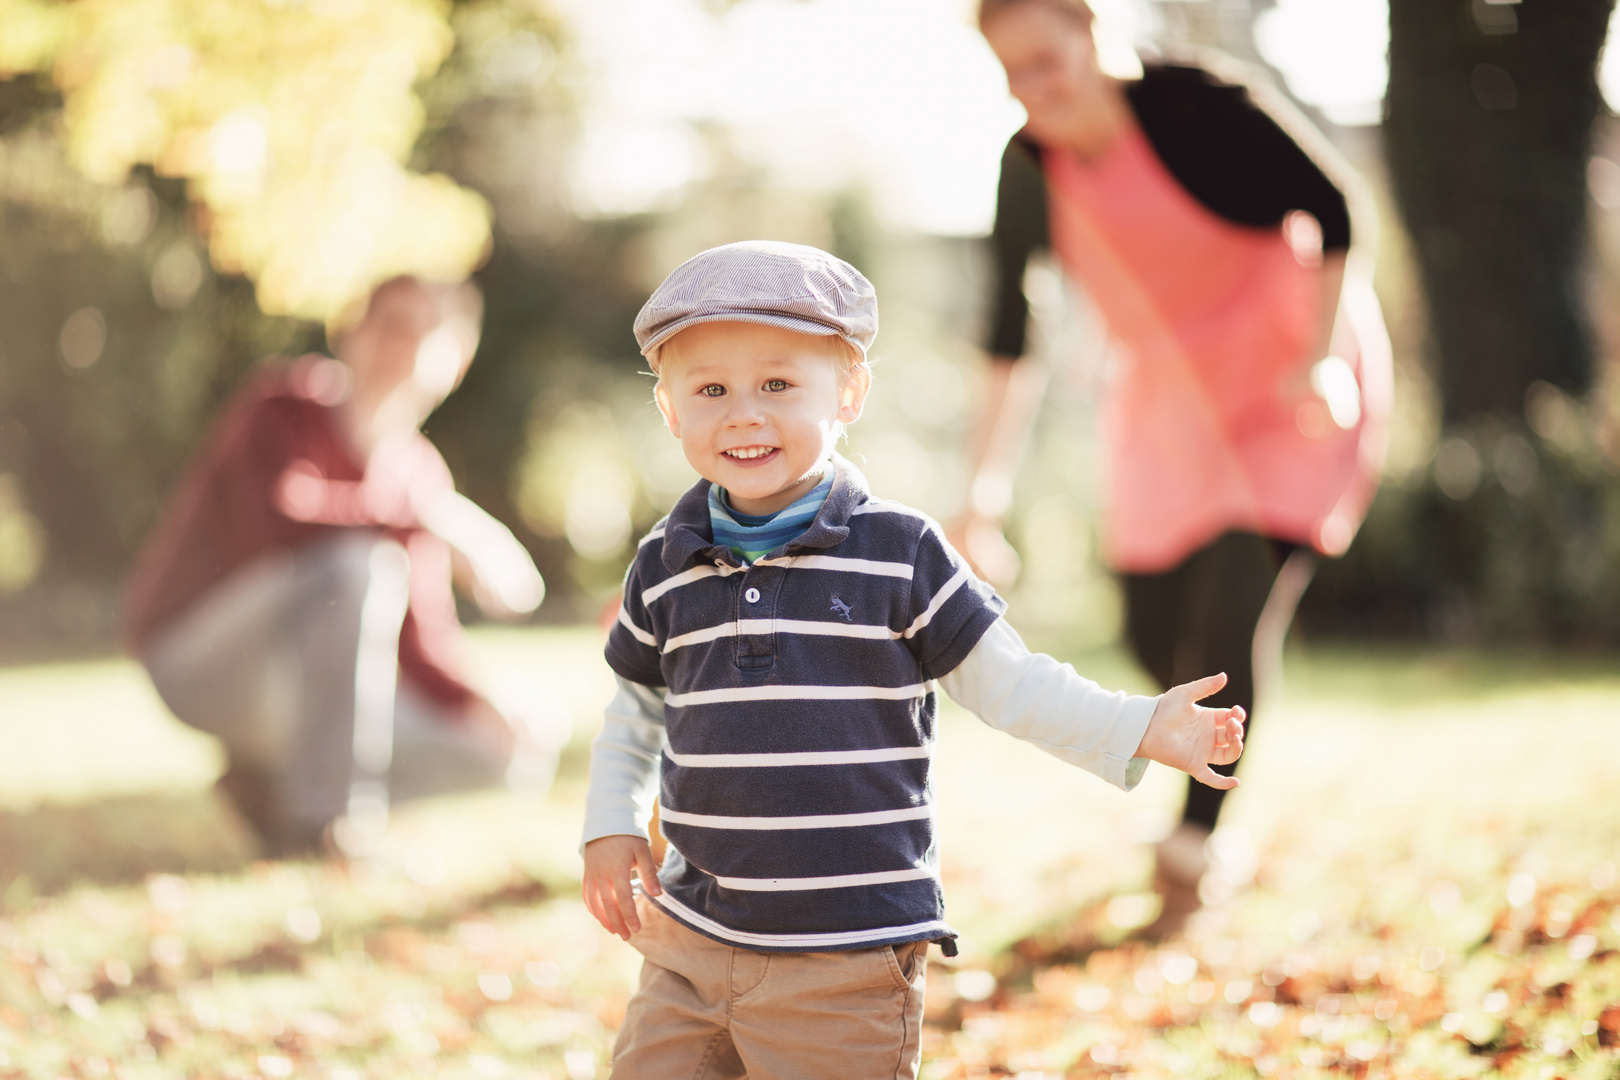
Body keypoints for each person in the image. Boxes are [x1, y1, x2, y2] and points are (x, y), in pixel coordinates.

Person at [580, 241, 1249, 1079]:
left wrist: (1140, 725)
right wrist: (610, 821)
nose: (743, 414)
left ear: (849, 391)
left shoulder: (900, 554)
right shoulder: (664, 563)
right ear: (671, 410)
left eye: (778, 385)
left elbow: (1007, 682)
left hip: (846, 958)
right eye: (710, 390)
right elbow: (636, 712)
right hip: (690, 938)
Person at [963, 0, 1393, 934]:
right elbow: (1009, 335)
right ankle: (1207, 802)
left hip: (1293, 381)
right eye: (1012, 74)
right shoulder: (1028, 165)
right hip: (1169, 412)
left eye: (1046, 60)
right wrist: (979, 502)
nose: (1033, 90)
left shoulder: (1197, 101)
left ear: (1090, 29)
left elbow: (1334, 203)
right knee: (1156, 636)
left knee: (1234, 604)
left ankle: (1194, 844)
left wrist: (1321, 355)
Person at [124, 275, 554, 856]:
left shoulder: (419, 472)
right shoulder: (285, 404)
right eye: (390, 324)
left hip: (304, 699)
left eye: (426, 331)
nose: (403, 344)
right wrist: (434, 519)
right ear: (350, 332)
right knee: (354, 569)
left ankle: (273, 791)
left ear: (457, 361)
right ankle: (330, 822)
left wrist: (479, 698)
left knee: (509, 754)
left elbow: (419, 640)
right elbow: (283, 520)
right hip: (197, 658)